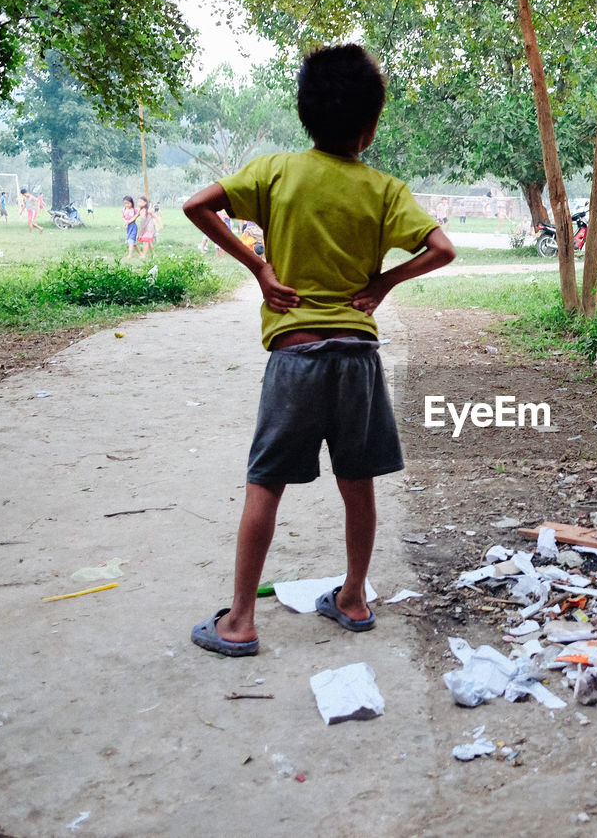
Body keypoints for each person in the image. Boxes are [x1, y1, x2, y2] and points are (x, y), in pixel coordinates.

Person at [183, 43, 456, 657]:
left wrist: (258, 268)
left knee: (265, 485)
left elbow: (197, 205)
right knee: (357, 484)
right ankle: (354, 598)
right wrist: (383, 283)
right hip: (357, 359)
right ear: (370, 127)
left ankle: (241, 622)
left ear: (305, 116)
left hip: (295, 358)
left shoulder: (277, 171)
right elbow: (442, 249)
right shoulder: (385, 189)